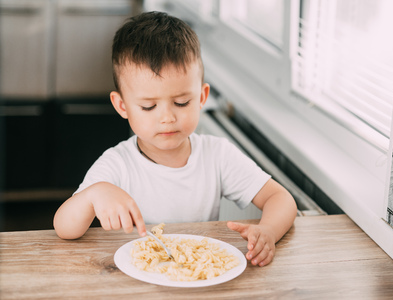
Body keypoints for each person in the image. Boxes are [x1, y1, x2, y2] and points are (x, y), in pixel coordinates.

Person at [53, 11, 297, 267]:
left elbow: (281, 198)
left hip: (195, 276)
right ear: (122, 106)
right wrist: (94, 194)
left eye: (182, 102)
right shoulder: (117, 164)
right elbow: (63, 227)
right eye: (149, 107)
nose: (167, 118)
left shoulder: (217, 155)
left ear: (202, 97)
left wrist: (268, 231)